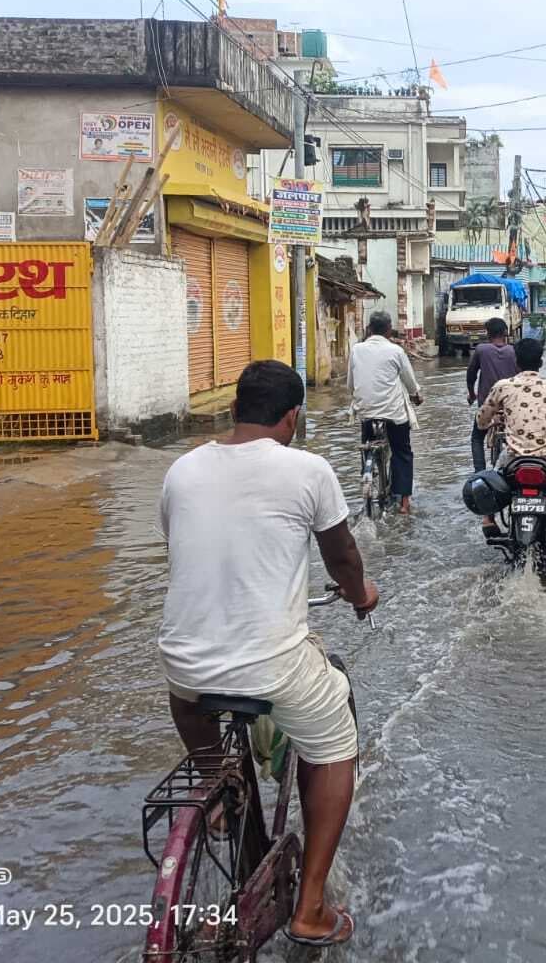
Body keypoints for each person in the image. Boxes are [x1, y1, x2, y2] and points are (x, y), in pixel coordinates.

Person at [157, 360, 379, 949]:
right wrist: (361, 597)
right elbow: (343, 558)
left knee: (187, 693)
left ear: (233, 410)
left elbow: (182, 544)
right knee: (334, 744)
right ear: (292, 417)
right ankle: (309, 908)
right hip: (273, 664)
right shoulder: (308, 469)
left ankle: (217, 788)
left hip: (185, 666)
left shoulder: (182, 469)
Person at [475, 337, 546, 538]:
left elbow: (481, 419)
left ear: (517, 363)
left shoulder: (502, 386)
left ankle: (489, 518)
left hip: (513, 459)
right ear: (541, 362)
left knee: (492, 471)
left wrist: (491, 422)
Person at [348, 311, 423, 514]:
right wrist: (416, 395)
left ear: (369, 329)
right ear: (389, 330)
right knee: (402, 452)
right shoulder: (396, 351)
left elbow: (351, 384)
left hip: (366, 411)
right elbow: (409, 381)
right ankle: (404, 503)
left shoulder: (356, 350)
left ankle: (368, 468)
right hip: (393, 413)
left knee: (367, 443)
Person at [466, 317, 518, 471]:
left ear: (488, 334)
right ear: (505, 333)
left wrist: (471, 393)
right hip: (511, 406)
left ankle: (479, 472)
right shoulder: (514, 350)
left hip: (487, 406)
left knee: (477, 438)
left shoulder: (481, 350)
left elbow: (471, 375)